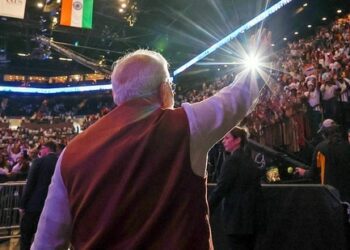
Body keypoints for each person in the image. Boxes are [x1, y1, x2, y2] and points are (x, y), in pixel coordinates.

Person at [32, 31, 271, 250]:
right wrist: (261, 52)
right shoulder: (186, 125)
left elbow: (47, 242)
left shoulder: (71, 153)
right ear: (165, 89)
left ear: (117, 94)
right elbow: (239, 96)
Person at [209, 127, 261, 250]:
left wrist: (207, 208)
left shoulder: (231, 161)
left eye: (227, 138)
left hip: (237, 219)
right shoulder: (249, 160)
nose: (223, 141)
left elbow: (221, 188)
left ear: (237, 140)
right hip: (251, 218)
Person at [295, 119, 350, 202]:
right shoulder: (346, 145)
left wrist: (303, 172)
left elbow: (313, 174)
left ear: (324, 133)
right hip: (346, 192)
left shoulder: (321, 148)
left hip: (330, 194)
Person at [19, 141, 58, 250]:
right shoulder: (61, 162)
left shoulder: (38, 162)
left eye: (41, 149)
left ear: (47, 149)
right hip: (53, 208)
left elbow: (30, 185)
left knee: (26, 238)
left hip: (34, 207)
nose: (40, 151)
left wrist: (22, 205)